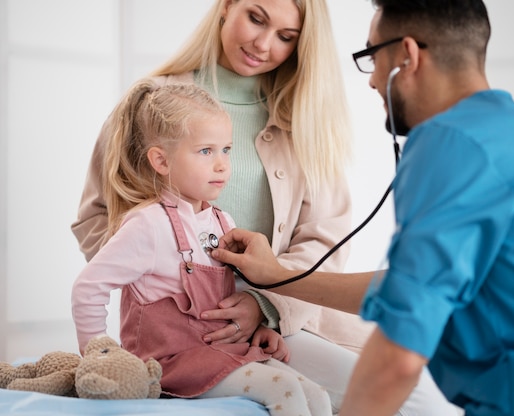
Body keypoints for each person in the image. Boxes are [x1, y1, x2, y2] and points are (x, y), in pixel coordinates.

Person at [209, 0, 514, 415]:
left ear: (405, 56)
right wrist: (280, 278)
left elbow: (398, 357)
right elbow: (407, 288)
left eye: (372, 56)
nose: (371, 80)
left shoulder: (450, 144)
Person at [71, 0, 461, 414]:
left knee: (419, 402)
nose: (263, 43)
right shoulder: (148, 104)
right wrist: (160, 285)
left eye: (286, 37)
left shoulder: (307, 115)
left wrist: (266, 306)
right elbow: (96, 218)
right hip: (182, 317)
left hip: (283, 308)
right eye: (255, 19)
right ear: (226, 6)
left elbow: (324, 239)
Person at [71, 79, 333, 415]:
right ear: (161, 161)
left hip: (219, 353)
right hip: (172, 363)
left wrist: (262, 331)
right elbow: (87, 288)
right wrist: (98, 354)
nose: (222, 164)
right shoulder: (148, 225)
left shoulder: (223, 221)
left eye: (226, 149)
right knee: (285, 390)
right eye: (206, 151)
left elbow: (228, 300)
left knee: (317, 395)